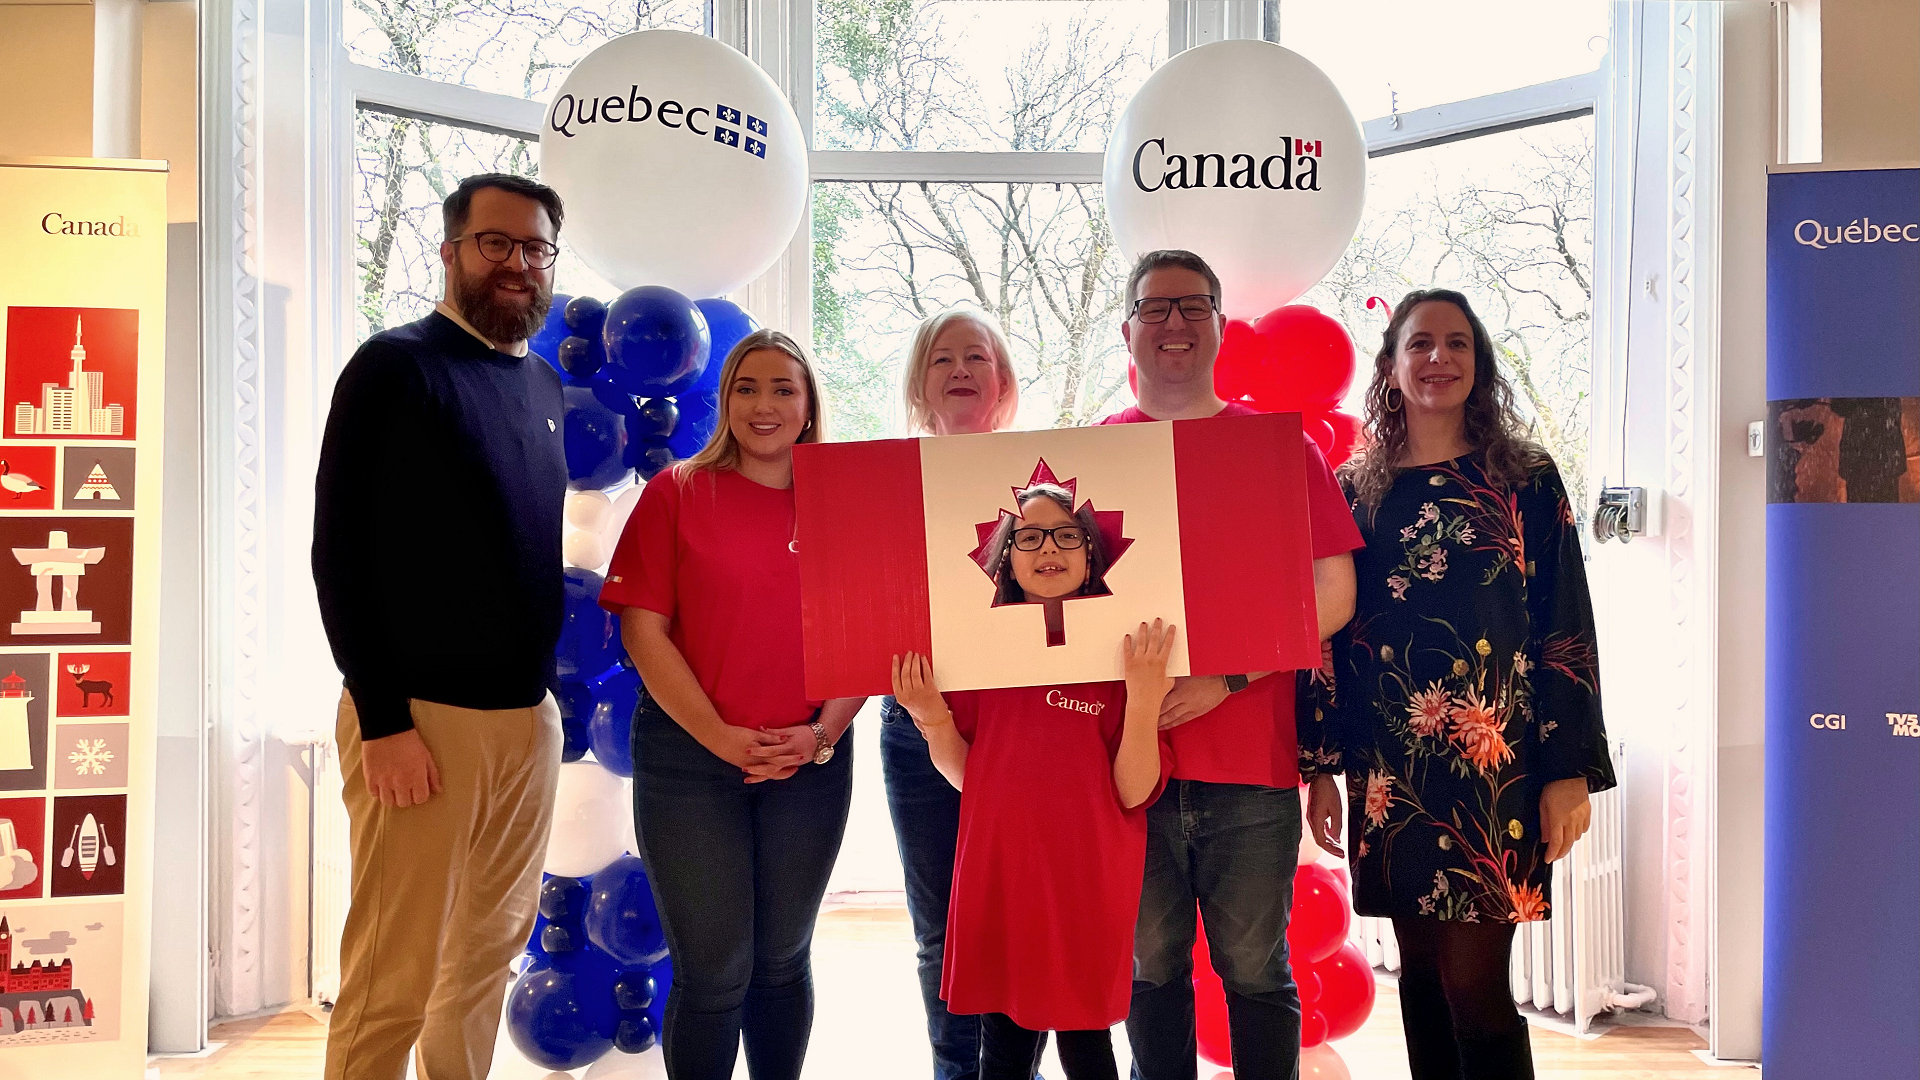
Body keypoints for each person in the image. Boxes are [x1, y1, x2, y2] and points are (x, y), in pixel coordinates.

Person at [1299, 288, 1617, 1079]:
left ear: (1478, 363)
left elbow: (1565, 623)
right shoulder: (1354, 488)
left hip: (1495, 767)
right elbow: (1326, 634)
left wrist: (1569, 768)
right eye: (1420, 343)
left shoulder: (1526, 479)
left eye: (1456, 343)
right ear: (1392, 363)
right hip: (1389, 772)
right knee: (1421, 982)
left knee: (1474, 986)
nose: (1438, 358)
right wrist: (1320, 767)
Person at [313, 172, 568, 1080]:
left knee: (483, 964)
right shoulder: (395, 366)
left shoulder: (540, 380)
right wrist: (382, 720)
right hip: (419, 722)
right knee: (394, 975)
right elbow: (337, 554)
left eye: (535, 248)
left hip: (525, 724)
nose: (517, 264)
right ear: (453, 250)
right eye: (495, 243)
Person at [1101, 249, 1362, 1080]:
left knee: (1255, 971)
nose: (1173, 323)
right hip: (1128, 764)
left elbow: (1335, 593)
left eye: (1192, 306)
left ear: (1219, 325)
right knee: (1150, 970)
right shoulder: (1087, 454)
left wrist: (1226, 680)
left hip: (1251, 763)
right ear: (1128, 331)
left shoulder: (1280, 449)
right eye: (1155, 308)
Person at [601, 329, 865, 1080]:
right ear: (724, 401)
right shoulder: (678, 491)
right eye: (746, 387)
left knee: (781, 960)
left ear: (810, 404)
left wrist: (820, 733)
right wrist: (719, 737)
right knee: (716, 969)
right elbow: (642, 630)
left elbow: (875, 633)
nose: (764, 403)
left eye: (784, 387)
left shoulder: (845, 506)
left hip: (809, 759)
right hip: (690, 760)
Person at [891, 480, 1176, 1080]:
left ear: (1092, 553)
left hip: (1088, 879)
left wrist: (1145, 697)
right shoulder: (980, 655)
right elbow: (969, 776)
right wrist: (930, 716)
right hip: (1005, 877)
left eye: (1067, 534)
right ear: (1006, 560)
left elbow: (1131, 791)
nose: (1049, 547)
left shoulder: (1128, 654)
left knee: (1085, 1041)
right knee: (1006, 1045)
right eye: (1028, 537)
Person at [884, 305, 1023, 1080]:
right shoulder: (885, 479)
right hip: (913, 725)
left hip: (1021, 729)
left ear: (1001, 382)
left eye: (977, 357)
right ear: (921, 383)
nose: (961, 370)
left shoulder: (1047, 481)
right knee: (940, 929)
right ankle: (952, 1071)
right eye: (943, 360)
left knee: (1015, 919)